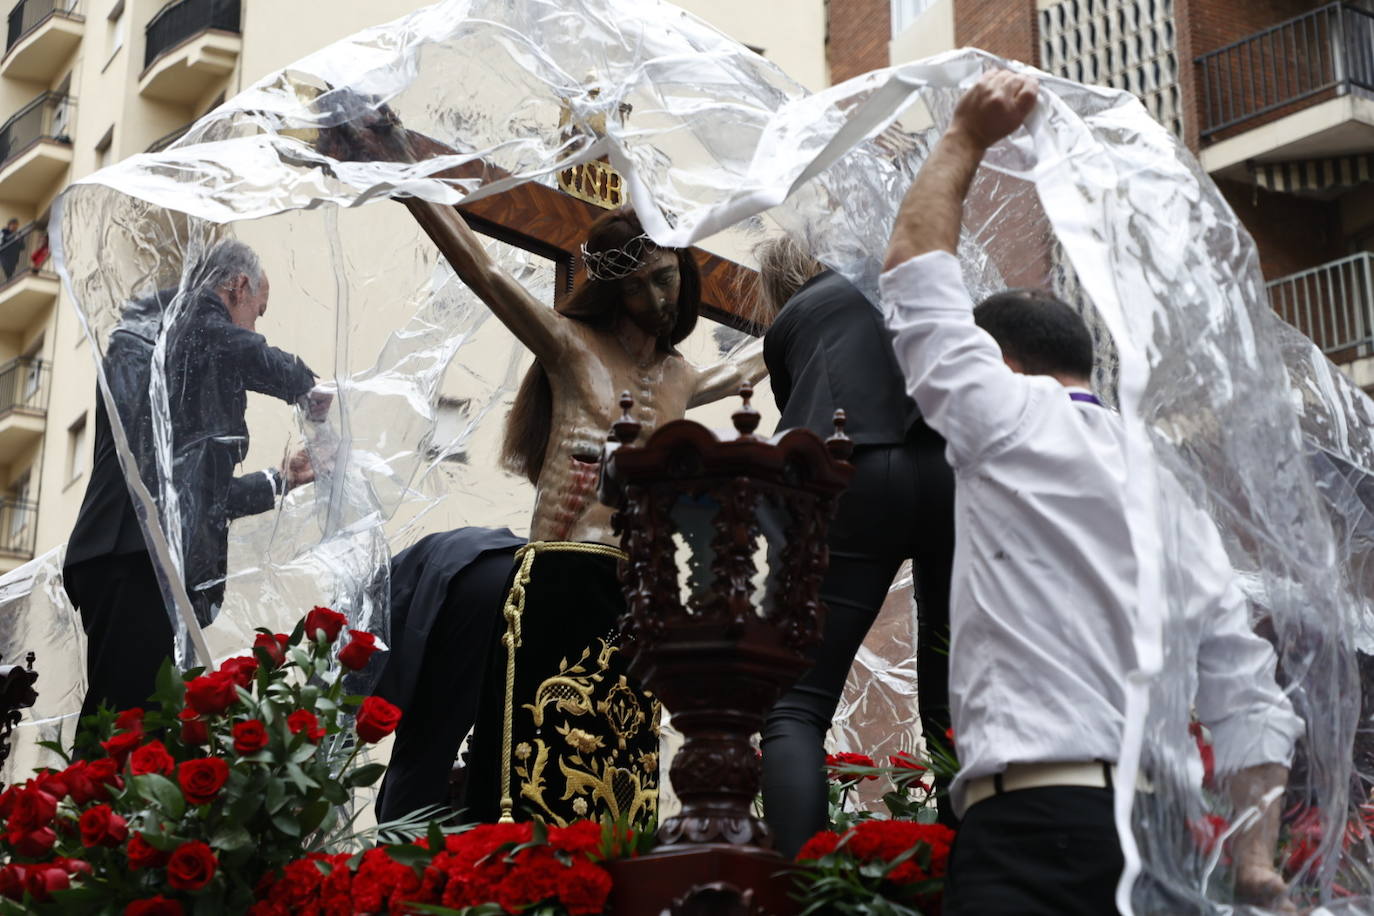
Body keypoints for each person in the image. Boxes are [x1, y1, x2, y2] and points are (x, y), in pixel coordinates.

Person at [879, 70, 1304, 914]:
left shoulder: (1005, 417)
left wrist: (965, 135)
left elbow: (914, 276)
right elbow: (1246, 690)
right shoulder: (1171, 493)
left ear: (1001, 364)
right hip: (1163, 848)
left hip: (1040, 832)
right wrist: (1255, 864)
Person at [321, 110, 767, 826]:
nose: (668, 298)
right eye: (649, 283)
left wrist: (828, 298)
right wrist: (404, 174)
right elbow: (486, 273)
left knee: (620, 762)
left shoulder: (683, 378)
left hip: (635, 582)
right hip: (558, 568)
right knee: (538, 758)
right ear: (616, 289)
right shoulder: (571, 349)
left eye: (674, 280)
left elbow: (757, 358)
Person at [755, 236, 957, 856]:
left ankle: (797, 882)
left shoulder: (795, 319)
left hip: (851, 472)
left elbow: (803, 414)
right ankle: (963, 872)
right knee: (953, 700)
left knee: (794, 701)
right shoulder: (917, 280)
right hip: (951, 470)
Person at [64, 239, 321, 725]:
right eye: (257, 313)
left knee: (140, 721)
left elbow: (200, 494)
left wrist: (280, 480)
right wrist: (308, 387)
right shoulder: (178, 326)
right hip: (133, 553)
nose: (253, 325)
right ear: (237, 286)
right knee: (123, 724)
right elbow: (224, 338)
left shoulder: (179, 353)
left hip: (134, 555)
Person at [373, 526, 524, 822]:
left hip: (473, 584)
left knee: (423, 752)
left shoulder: (362, 619)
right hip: (527, 572)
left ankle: (400, 861)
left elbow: (417, 744)